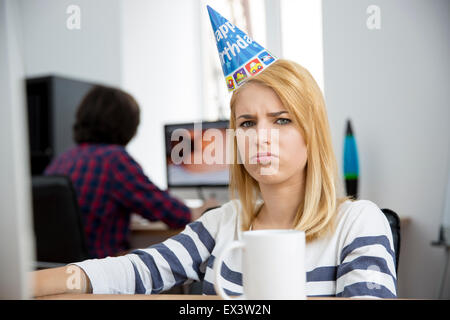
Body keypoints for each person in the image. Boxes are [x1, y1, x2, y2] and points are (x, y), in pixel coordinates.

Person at [33, 60, 397, 298]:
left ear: (312, 134)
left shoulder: (359, 222)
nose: (261, 136)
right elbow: (138, 268)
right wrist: (24, 284)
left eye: (282, 120)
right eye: (247, 123)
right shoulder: (222, 222)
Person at [44, 85, 217, 259]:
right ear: (127, 125)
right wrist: (203, 210)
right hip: (98, 272)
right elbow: (169, 211)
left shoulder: (63, 159)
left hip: (58, 273)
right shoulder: (113, 160)